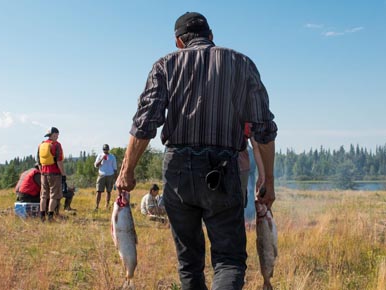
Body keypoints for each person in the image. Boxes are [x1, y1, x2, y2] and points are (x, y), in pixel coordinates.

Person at [115, 12, 278, 290]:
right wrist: (268, 180)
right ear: (211, 36)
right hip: (224, 170)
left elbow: (145, 124)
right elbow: (263, 129)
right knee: (229, 260)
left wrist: (127, 171)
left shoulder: (164, 65)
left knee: (189, 262)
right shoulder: (242, 63)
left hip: (178, 170)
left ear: (179, 41)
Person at [37, 127, 67, 222]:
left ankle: (42, 216)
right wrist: (63, 174)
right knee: (53, 195)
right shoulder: (56, 145)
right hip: (54, 173)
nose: (58, 136)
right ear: (54, 134)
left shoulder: (41, 145)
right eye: (57, 134)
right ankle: (50, 217)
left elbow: (38, 161)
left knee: (44, 195)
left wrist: (42, 171)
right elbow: (59, 161)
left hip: (43, 173)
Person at [94, 144, 117, 211]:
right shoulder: (100, 155)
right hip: (101, 175)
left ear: (108, 149)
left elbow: (115, 168)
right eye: (104, 149)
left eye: (106, 149)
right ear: (103, 149)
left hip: (110, 175)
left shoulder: (112, 157)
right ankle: (97, 206)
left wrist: (116, 178)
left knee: (109, 191)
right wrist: (102, 159)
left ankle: (107, 205)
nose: (105, 150)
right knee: (98, 191)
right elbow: (96, 165)